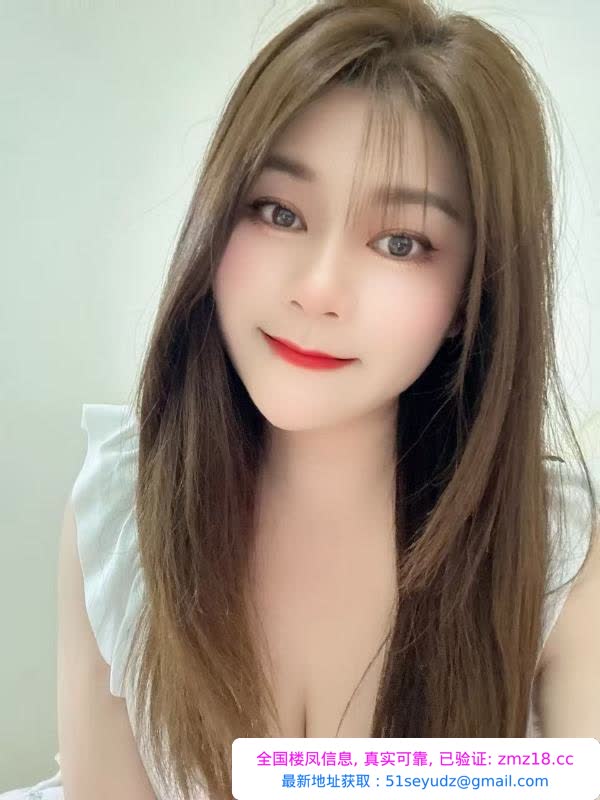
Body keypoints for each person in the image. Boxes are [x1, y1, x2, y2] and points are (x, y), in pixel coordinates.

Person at [4, 1, 599, 799]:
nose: (317, 290)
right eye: (278, 212)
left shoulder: (553, 550)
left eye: (400, 242)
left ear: (471, 297)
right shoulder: (123, 511)